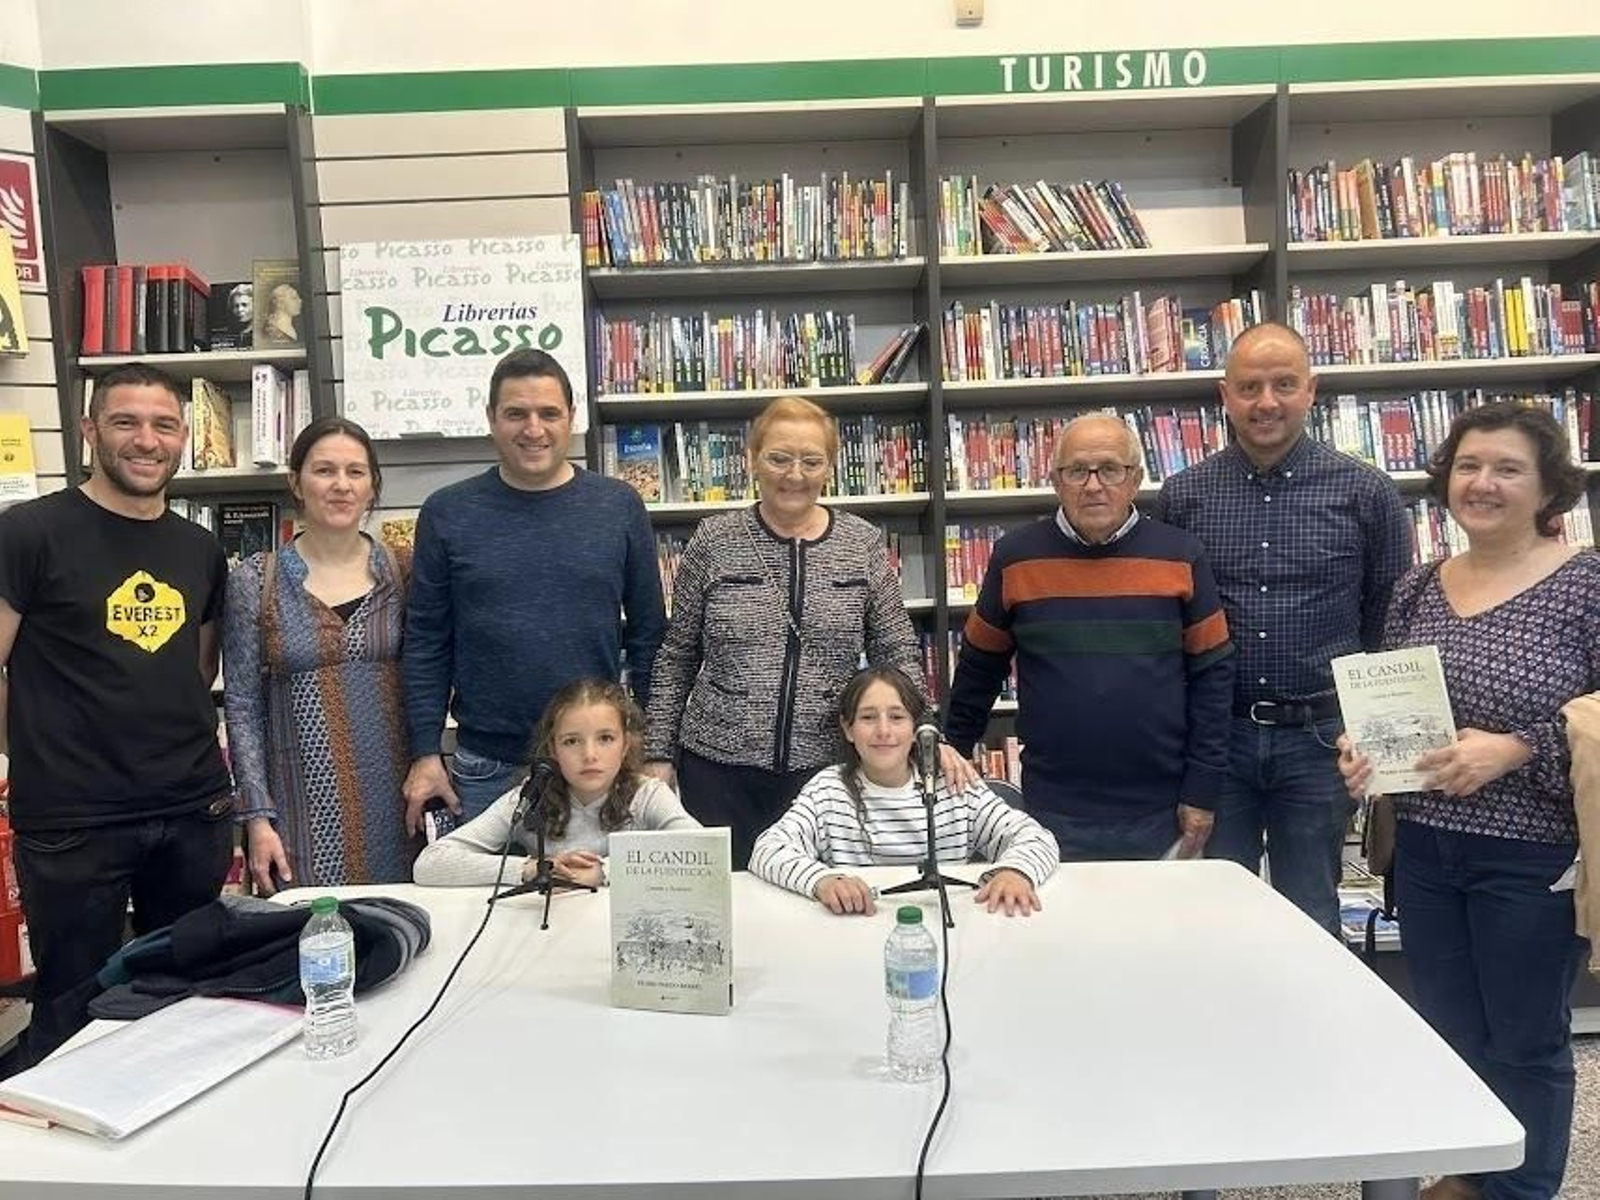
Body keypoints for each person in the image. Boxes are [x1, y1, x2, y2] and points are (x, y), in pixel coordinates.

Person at [1337, 402, 1597, 1200]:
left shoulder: (1586, 582)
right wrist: (1365, 751)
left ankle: (1523, 1189)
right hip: (1424, 847)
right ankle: (1475, 1171)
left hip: (1533, 852)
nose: (1482, 484)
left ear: (1549, 485)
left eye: (1508, 468)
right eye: (1468, 466)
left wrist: (1517, 747)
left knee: (1526, 1041)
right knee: (1454, 1031)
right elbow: (1398, 703)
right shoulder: (1418, 587)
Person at [0, 363, 233, 1061]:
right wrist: (36, 750)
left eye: (164, 425)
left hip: (192, 811)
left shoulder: (199, 548)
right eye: (126, 421)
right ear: (89, 430)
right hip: (75, 823)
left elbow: (200, 667)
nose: (146, 440)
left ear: (183, 436)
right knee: (73, 1009)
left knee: (188, 1000)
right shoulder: (26, 533)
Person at [1155, 321, 1411, 934]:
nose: (1266, 402)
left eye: (1284, 384)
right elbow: (1169, 626)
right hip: (1222, 737)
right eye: (1249, 387)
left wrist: (1371, 733)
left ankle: (1311, 1030)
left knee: (1312, 912)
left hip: (1320, 741)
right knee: (1217, 910)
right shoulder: (1183, 497)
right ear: (1225, 396)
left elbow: (1391, 618)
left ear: (1311, 390)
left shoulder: (1367, 493)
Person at [643, 395, 962, 870]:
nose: (795, 475)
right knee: (726, 908)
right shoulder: (713, 540)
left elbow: (895, 649)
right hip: (717, 768)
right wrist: (657, 754)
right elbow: (677, 657)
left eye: (811, 461)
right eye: (779, 458)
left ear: (829, 467)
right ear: (753, 461)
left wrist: (926, 730)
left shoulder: (862, 544)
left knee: (820, 904)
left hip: (827, 773)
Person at [944, 412, 1235, 861]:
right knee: (1057, 930)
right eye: (1077, 470)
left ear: (1135, 479)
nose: (1093, 485)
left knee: (1155, 930)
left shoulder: (1181, 555)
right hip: (1050, 806)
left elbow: (1213, 680)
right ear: (1056, 481)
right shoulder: (1016, 556)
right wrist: (953, 758)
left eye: (1110, 469)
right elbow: (979, 669)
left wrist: (1203, 790)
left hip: (1162, 808)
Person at [402, 348, 665, 833]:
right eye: (516, 414)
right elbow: (426, 643)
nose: (534, 429)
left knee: (594, 904)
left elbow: (650, 636)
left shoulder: (618, 507)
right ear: (491, 419)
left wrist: (651, 745)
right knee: (483, 905)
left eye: (549, 413)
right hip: (484, 768)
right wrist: (424, 752)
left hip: (596, 767)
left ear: (571, 418)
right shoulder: (447, 513)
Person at [223, 416, 413, 893]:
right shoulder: (256, 580)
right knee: (311, 943)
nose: (341, 486)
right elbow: (243, 707)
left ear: (373, 486)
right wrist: (257, 818)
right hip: (299, 810)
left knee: (401, 937)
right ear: (296, 482)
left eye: (356, 472)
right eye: (325, 471)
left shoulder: (402, 570)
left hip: (397, 801)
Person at [751, 665, 1058, 916]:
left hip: (949, 931)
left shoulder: (954, 784)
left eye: (897, 717)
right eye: (868, 718)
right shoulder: (827, 790)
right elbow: (767, 849)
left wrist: (1015, 871)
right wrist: (822, 880)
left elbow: (1037, 838)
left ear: (916, 729)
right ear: (848, 729)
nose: (883, 731)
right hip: (853, 933)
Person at [414, 678, 697, 887]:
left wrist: (605, 872)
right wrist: (533, 868)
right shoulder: (528, 799)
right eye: (571, 741)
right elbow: (430, 864)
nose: (589, 755)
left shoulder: (647, 795)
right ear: (552, 750)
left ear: (625, 746)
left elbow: (703, 852)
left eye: (605, 738)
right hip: (550, 928)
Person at [260, 282, 301, 346]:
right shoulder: (273, 332)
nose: (300, 301)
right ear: (280, 304)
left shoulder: (288, 328)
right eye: (294, 298)